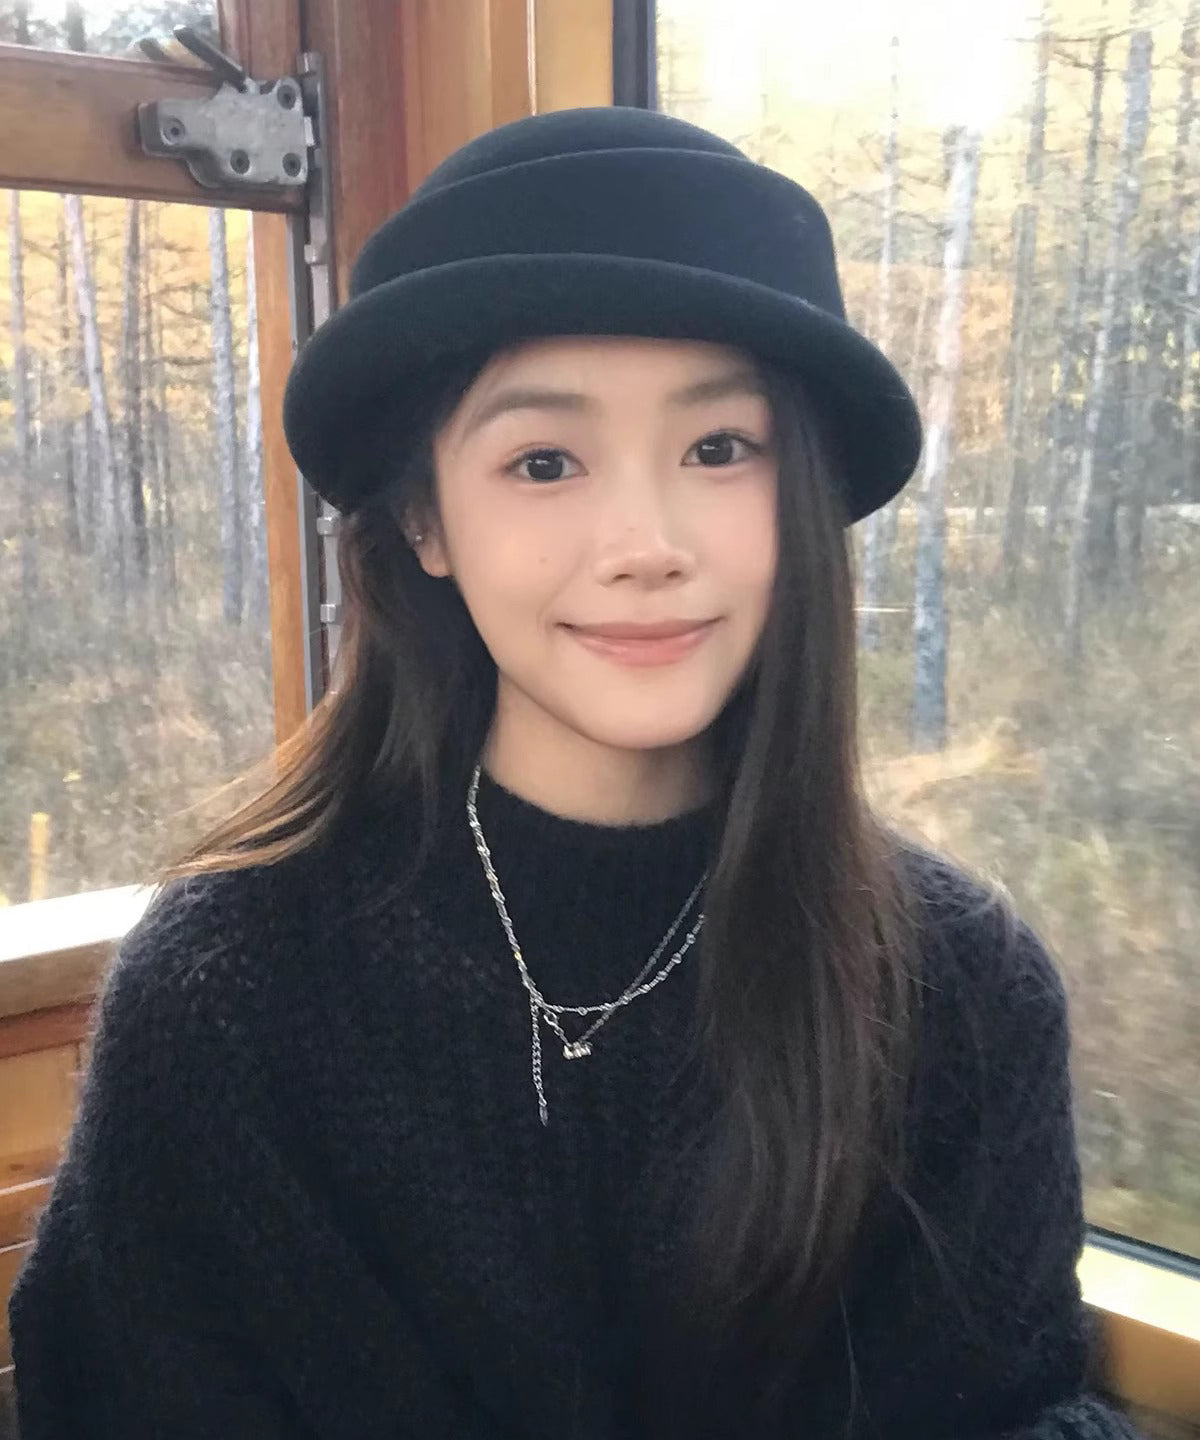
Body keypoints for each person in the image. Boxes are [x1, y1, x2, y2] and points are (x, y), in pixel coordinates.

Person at [9, 106, 1142, 1440]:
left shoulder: (959, 988)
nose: (644, 544)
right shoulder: (229, 994)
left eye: (720, 448)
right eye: (543, 462)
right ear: (425, 520)